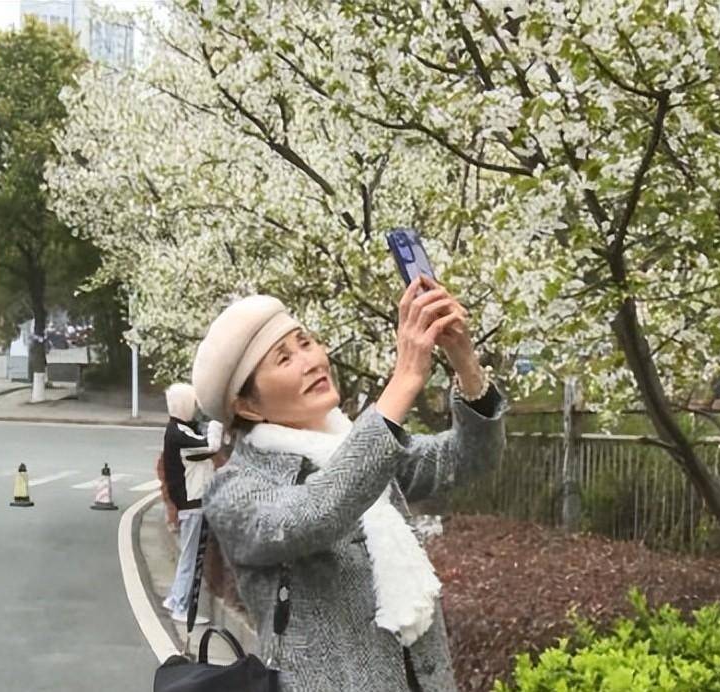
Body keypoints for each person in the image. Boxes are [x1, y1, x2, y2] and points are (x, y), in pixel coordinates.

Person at [193, 276, 506, 691]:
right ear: (247, 406)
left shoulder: (357, 447)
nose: (310, 362)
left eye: (306, 343)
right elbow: (317, 512)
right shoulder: (235, 490)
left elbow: (468, 459)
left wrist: (464, 362)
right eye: (284, 359)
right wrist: (405, 378)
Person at [160, 382, 222, 625]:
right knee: (191, 557)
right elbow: (211, 446)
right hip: (193, 502)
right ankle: (181, 607)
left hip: (188, 502)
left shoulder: (176, 430)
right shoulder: (179, 434)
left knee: (188, 554)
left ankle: (175, 598)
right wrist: (218, 422)